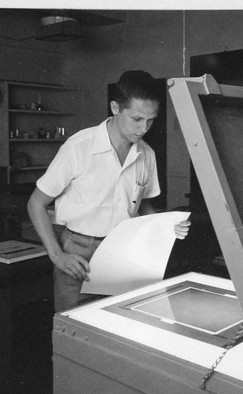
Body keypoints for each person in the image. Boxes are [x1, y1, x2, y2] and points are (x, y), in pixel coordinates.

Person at [27, 70, 190, 313]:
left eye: (151, 120)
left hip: (125, 250)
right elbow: (35, 203)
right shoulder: (79, 147)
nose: (144, 128)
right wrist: (58, 256)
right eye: (136, 119)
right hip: (78, 252)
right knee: (74, 330)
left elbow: (141, 204)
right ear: (115, 108)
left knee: (122, 325)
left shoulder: (146, 154)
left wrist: (164, 226)